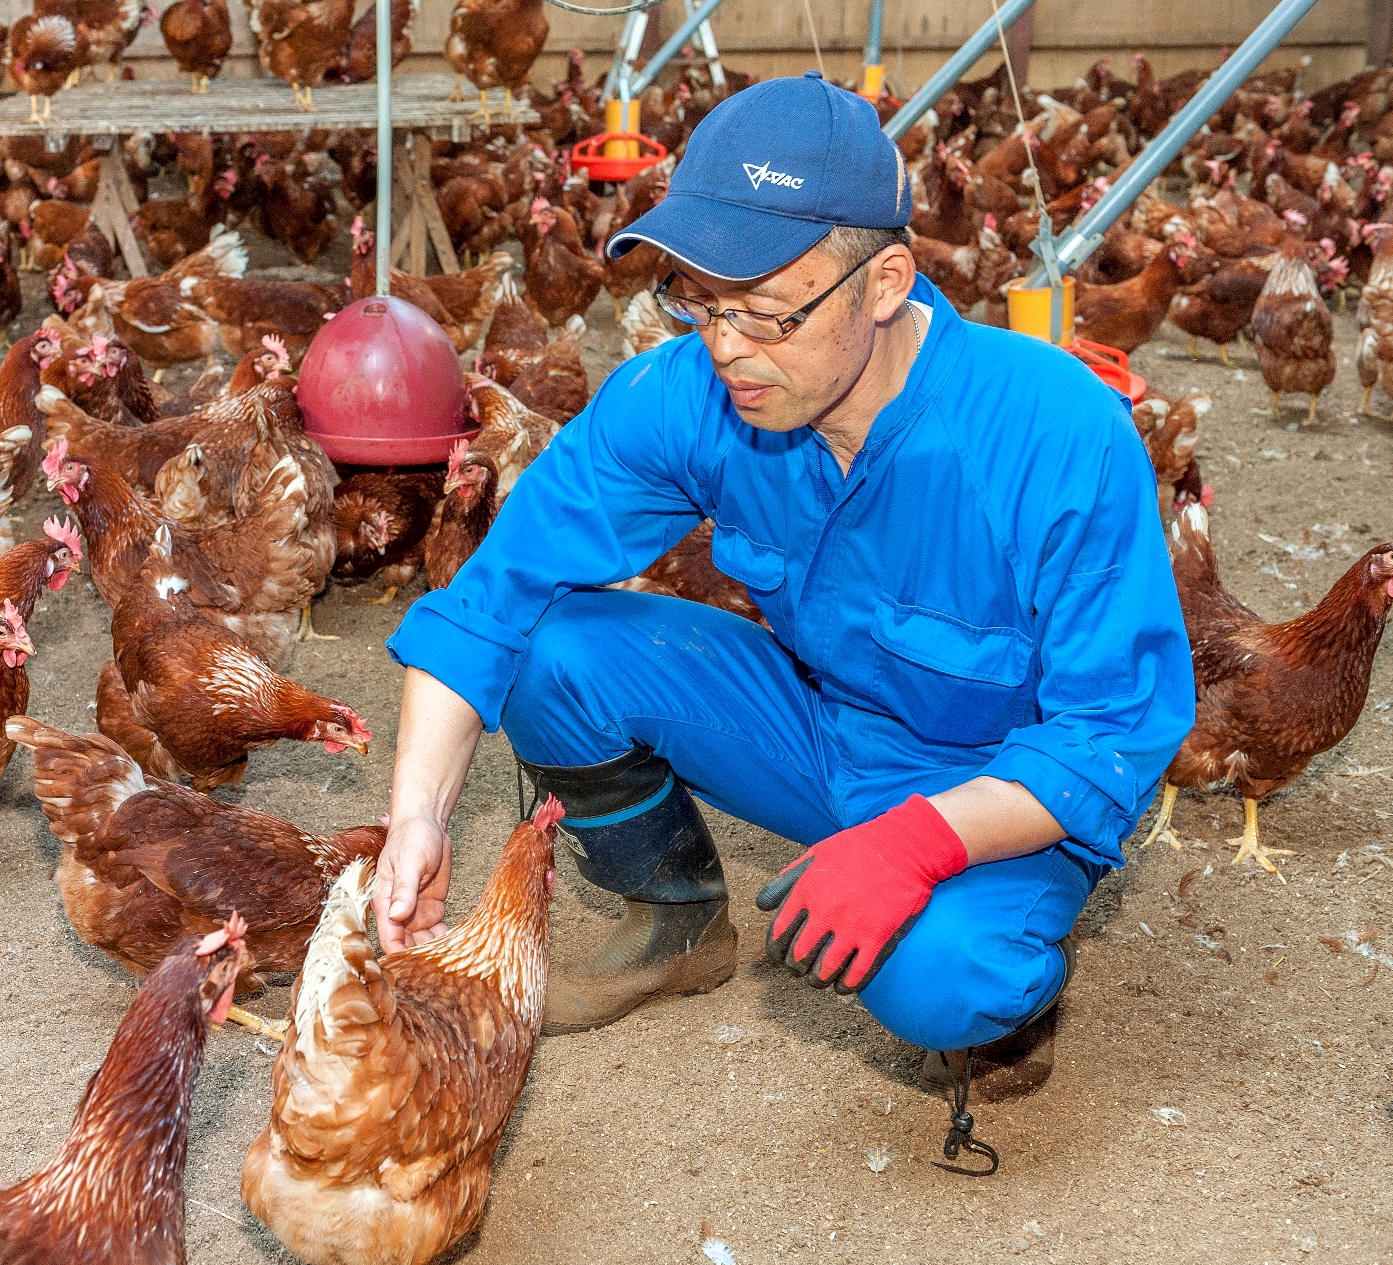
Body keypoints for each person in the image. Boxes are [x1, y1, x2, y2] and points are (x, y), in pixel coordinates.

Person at [376, 72, 1195, 1109]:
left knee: (947, 979)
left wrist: (917, 841)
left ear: (887, 282)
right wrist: (419, 817)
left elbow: (1110, 733)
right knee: (548, 648)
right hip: (822, 732)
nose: (724, 348)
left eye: (765, 313)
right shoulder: (694, 397)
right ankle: (673, 920)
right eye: (700, 303)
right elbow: (486, 601)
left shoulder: (1057, 436)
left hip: (998, 782)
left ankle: (1010, 981)